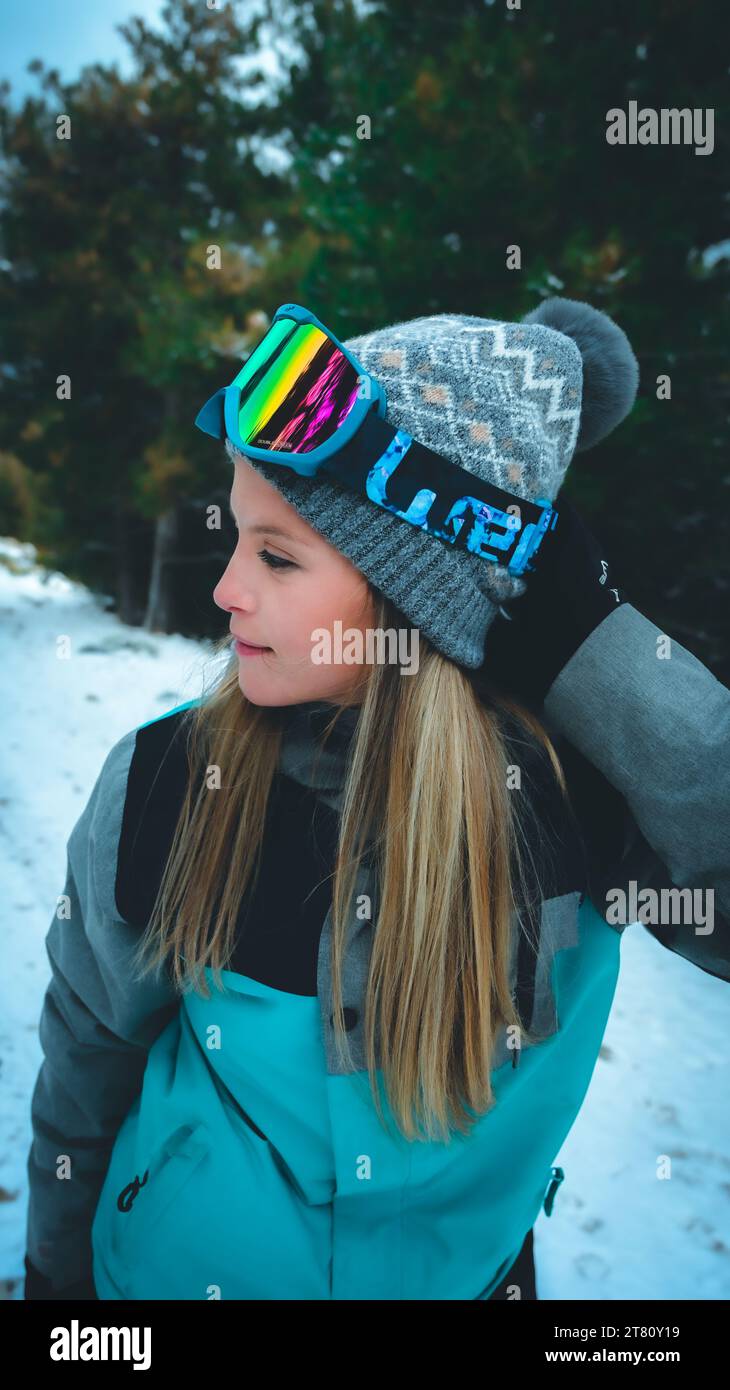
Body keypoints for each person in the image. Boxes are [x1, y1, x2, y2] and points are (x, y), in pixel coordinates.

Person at [24, 298, 730, 1301]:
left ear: (416, 596)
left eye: (277, 555)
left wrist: (595, 646)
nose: (225, 587)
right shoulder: (167, 784)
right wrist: (55, 1289)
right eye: (239, 538)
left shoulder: (580, 798)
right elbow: (84, 1067)